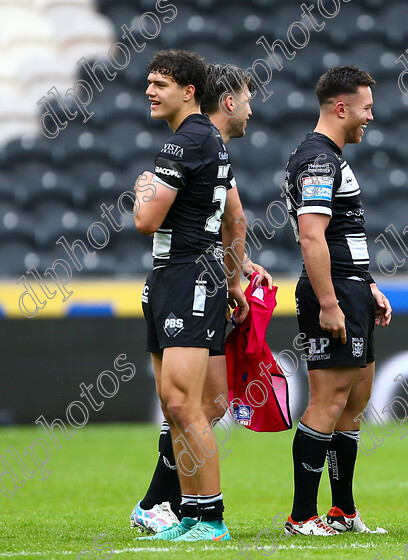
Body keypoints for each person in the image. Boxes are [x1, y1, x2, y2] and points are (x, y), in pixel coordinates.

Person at [130, 62, 272, 535]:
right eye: (148, 83)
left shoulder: (186, 141)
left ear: (189, 92)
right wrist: (233, 280)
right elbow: (235, 219)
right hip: (193, 276)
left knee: (181, 403)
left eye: (159, 84)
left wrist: (141, 186)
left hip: (185, 275)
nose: (149, 91)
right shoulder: (211, 141)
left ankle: (209, 517)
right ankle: (186, 511)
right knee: (191, 405)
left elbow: (146, 221)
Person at [283, 66, 391, 536]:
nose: (371, 115)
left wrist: (366, 286)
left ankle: (342, 511)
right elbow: (312, 235)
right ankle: (301, 516)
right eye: (366, 107)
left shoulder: (330, 157)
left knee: (354, 401)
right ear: (341, 108)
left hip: (352, 287)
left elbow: (343, 233)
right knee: (327, 402)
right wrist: (330, 302)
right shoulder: (318, 160)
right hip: (333, 292)